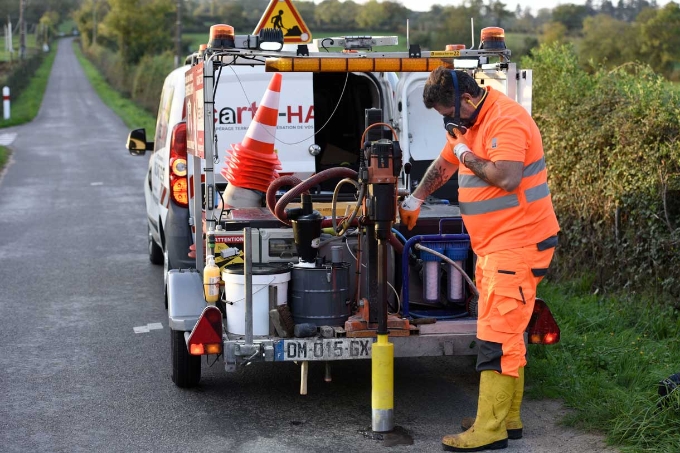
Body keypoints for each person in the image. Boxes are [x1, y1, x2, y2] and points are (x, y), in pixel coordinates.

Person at [399, 68, 560, 452]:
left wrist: (465, 154)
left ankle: (489, 429)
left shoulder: (506, 121)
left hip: (518, 245)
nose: (447, 122)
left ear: (467, 99)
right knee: (509, 332)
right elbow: (444, 165)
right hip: (494, 247)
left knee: (495, 339)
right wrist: (416, 198)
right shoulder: (467, 124)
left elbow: (505, 177)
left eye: (448, 112)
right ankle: (508, 418)